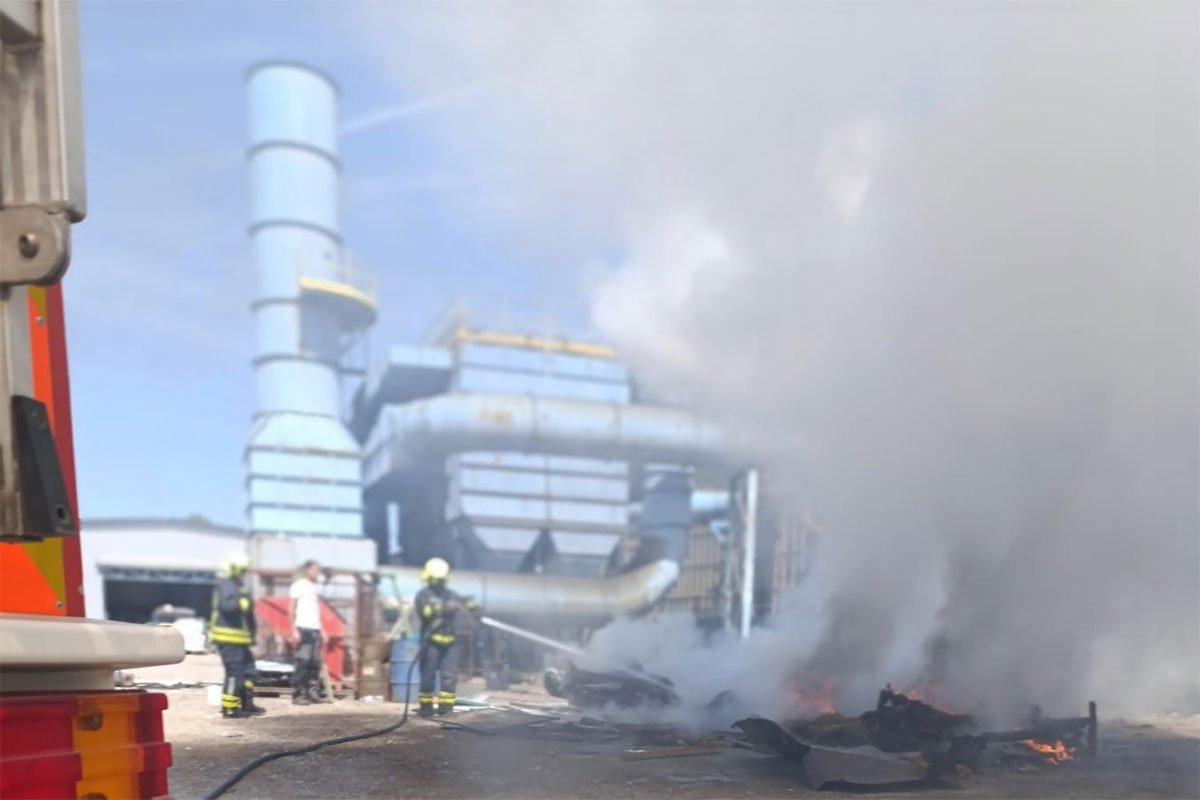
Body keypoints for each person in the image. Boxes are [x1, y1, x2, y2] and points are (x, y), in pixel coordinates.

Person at [413, 557, 480, 718]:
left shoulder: (450, 594)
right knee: (428, 676)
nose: (439, 582)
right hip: (431, 642)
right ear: (429, 578)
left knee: (449, 677)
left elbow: (463, 602)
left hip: (450, 641)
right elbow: (426, 612)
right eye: (437, 579)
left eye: (441, 579)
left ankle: (446, 709)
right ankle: (426, 708)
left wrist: (472, 605)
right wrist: (445, 608)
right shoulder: (423, 595)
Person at [210, 552, 265, 718]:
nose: (244, 575)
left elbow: (248, 615)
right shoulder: (226, 585)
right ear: (233, 569)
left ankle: (246, 702)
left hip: (240, 639)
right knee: (235, 672)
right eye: (242, 571)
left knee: (248, 670)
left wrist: (253, 633)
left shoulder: (236, 586)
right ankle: (229, 708)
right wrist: (244, 601)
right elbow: (229, 608)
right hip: (229, 638)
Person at [288, 559, 330, 705]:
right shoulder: (298, 585)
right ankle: (297, 694)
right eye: (315, 570)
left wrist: (322, 630)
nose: (318, 573)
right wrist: (293, 629)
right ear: (308, 570)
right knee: (303, 661)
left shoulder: (314, 587)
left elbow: (315, 611)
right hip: (303, 628)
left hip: (314, 629)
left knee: (314, 662)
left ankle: (312, 692)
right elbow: (291, 607)